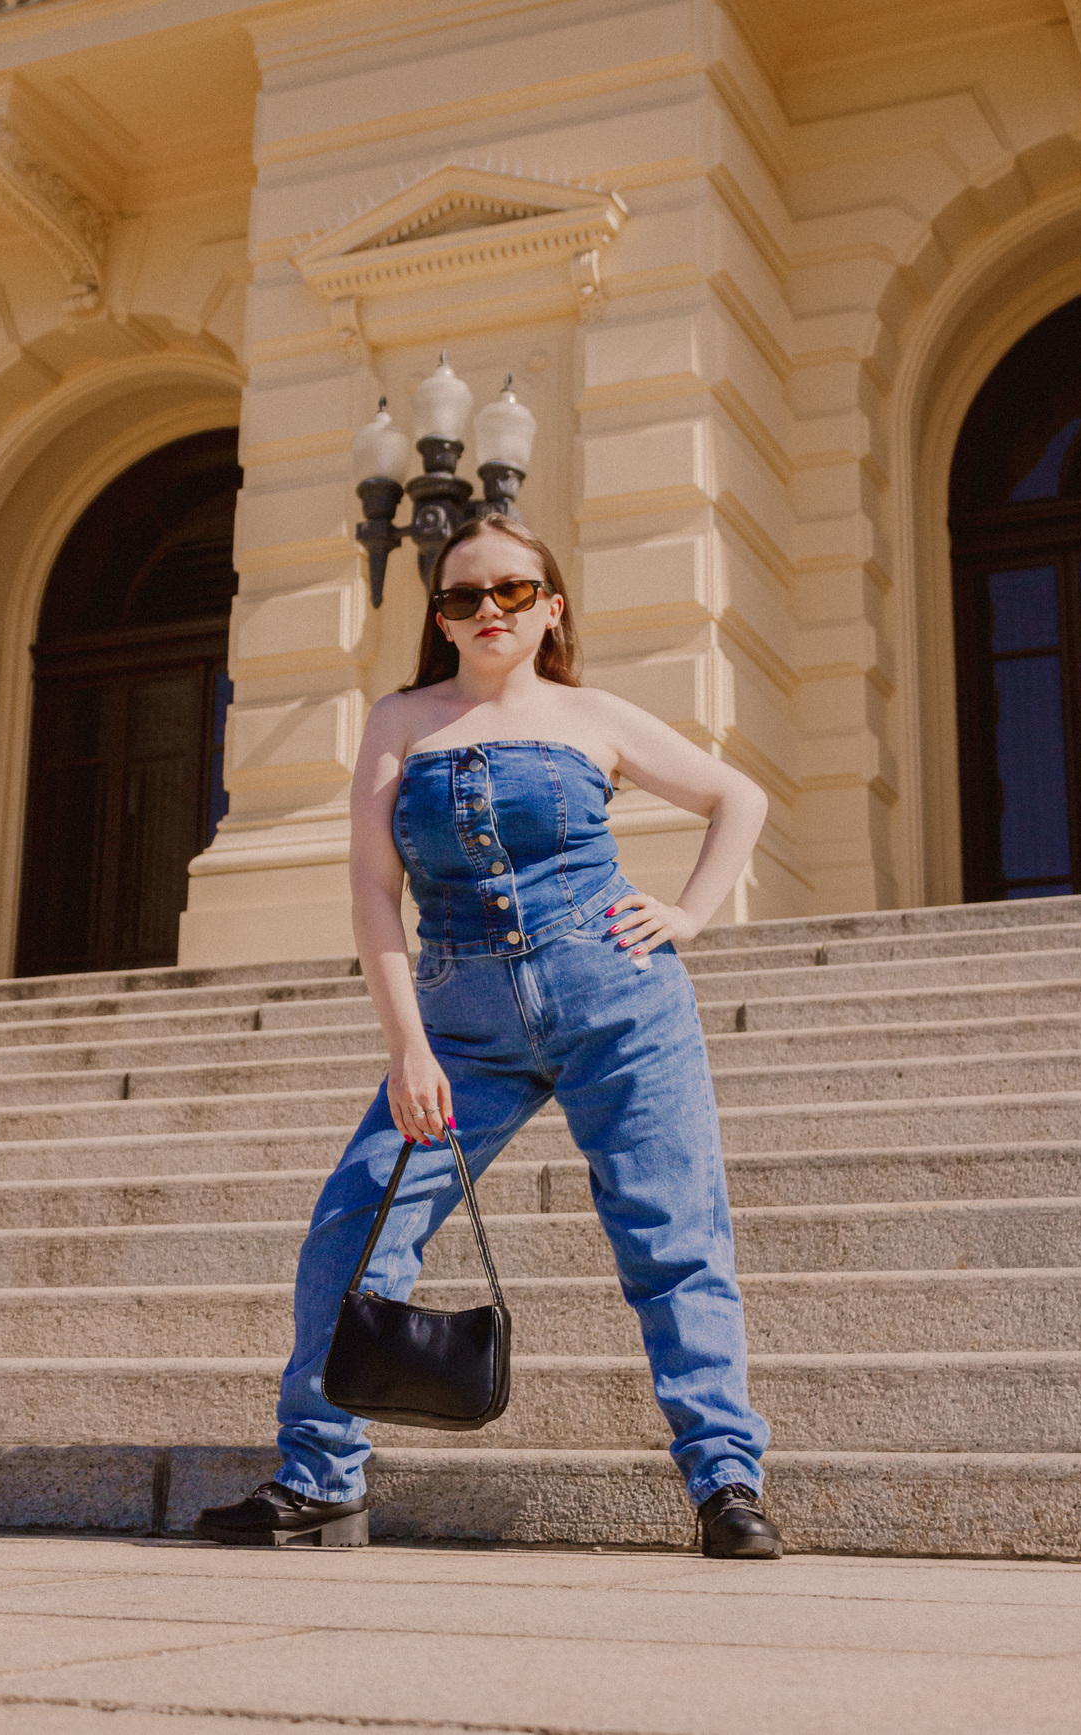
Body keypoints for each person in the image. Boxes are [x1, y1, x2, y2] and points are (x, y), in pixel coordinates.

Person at [195, 512, 782, 1560]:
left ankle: (726, 1482)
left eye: (512, 590)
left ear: (550, 605)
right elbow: (376, 893)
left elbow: (736, 794)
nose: (489, 611)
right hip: (459, 1018)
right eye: (465, 597)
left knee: (675, 1237)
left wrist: (687, 912)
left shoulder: (592, 712)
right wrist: (408, 1045)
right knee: (356, 1227)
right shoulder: (401, 719)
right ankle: (322, 1477)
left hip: (619, 999)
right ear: (443, 618)